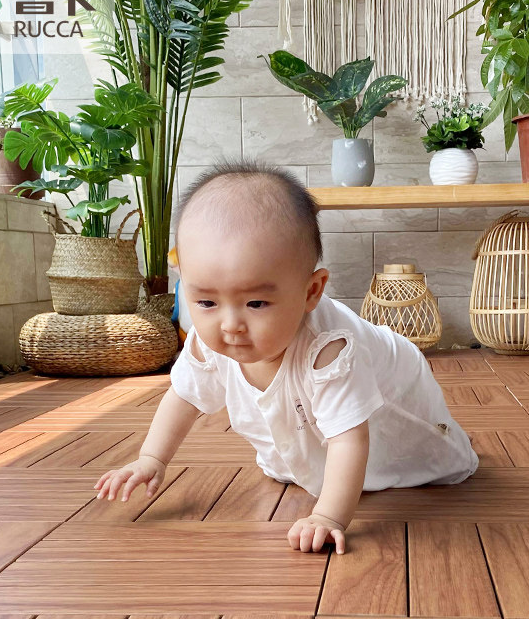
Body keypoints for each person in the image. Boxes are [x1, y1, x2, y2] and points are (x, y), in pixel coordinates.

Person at [94, 161, 478, 554]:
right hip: (312, 423)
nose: (230, 325)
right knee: (304, 440)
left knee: (387, 450)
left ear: (311, 292)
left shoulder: (329, 350)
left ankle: (436, 447)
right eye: (206, 302)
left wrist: (328, 516)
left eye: (256, 303)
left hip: (395, 410)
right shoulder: (210, 338)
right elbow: (184, 396)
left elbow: (350, 438)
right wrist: (151, 458)